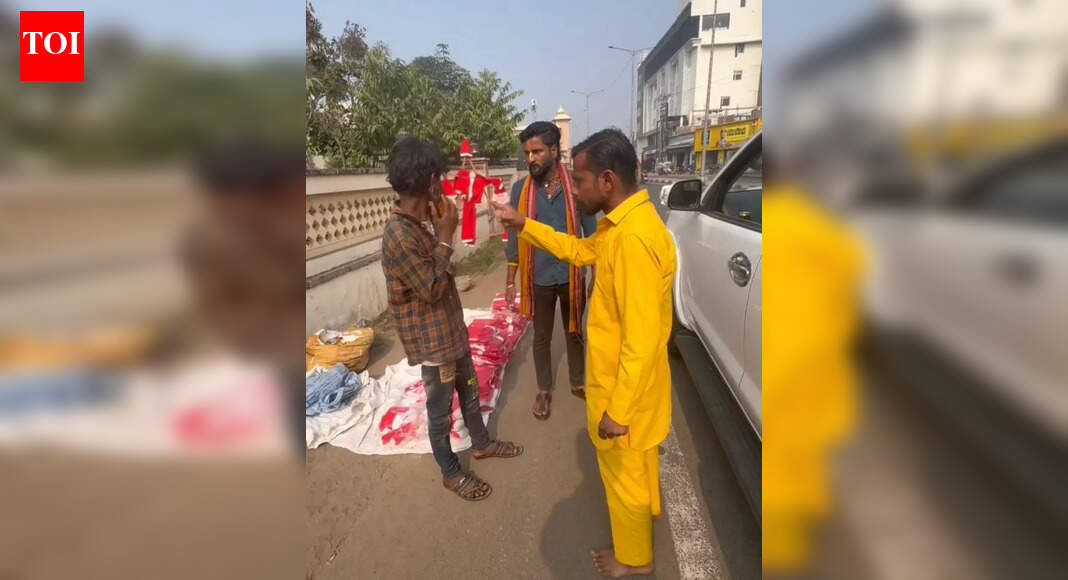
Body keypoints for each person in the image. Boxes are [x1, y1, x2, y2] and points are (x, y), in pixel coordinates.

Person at [492, 128, 675, 577]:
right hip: (637, 387)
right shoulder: (625, 224)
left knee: (624, 477)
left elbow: (642, 338)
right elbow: (578, 250)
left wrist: (618, 411)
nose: (574, 187)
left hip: (623, 391)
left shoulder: (630, 241)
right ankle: (648, 511)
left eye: (582, 179)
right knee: (641, 468)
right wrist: (526, 226)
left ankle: (634, 560)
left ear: (608, 180)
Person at [381, 137, 523, 501]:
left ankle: (481, 443)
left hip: (450, 332)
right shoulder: (398, 234)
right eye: (439, 180)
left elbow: (442, 273)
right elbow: (429, 287)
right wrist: (446, 237)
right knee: (441, 412)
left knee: (472, 393)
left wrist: (439, 234)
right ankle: (449, 471)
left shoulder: (419, 224)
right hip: (432, 343)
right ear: (431, 181)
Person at [505, 121, 597, 420]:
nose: (530, 158)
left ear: (554, 151)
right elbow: (514, 237)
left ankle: (578, 380)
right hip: (540, 277)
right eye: (527, 153)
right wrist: (511, 280)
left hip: (572, 275)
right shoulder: (521, 190)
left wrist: (594, 271)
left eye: (537, 151)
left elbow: (591, 231)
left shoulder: (576, 186)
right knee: (541, 337)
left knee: (575, 331)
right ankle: (544, 389)